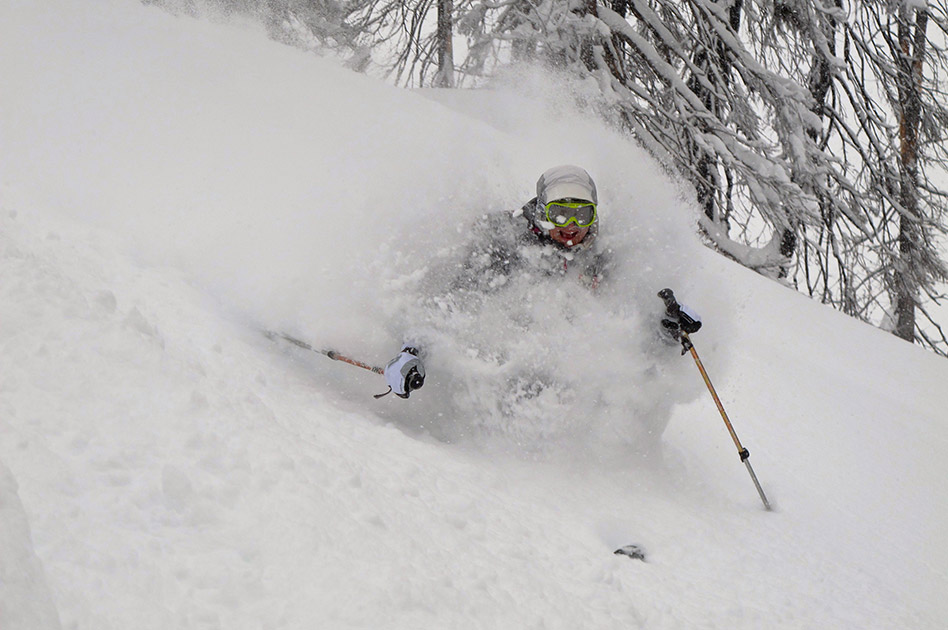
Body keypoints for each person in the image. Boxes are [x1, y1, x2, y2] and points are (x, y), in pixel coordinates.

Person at [382, 165, 701, 399]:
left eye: (582, 215)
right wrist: (413, 350)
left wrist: (666, 327)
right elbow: (450, 299)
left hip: (570, 386)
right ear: (541, 210)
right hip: (497, 370)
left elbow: (626, 327)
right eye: (559, 213)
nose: (572, 227)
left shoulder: (604, 257)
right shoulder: (505, 243)